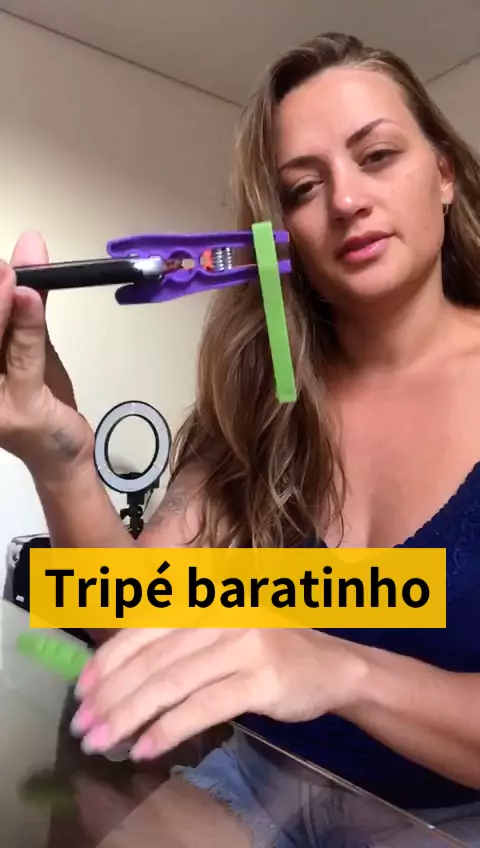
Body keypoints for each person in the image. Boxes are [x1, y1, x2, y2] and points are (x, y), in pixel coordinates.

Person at [2, 29, 480, 846]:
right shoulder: (261, 399)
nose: (347, 201)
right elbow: (129, 624)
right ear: (279, 232)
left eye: (377, 156)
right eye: (303, 187)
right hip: (260, 783)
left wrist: (340, 669)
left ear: (443, 171)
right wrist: (61, 456)